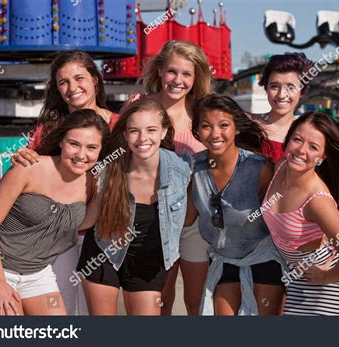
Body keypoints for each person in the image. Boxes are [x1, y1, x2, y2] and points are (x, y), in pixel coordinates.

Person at [10, 50, 120, 315]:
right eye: (63, 82)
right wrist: (21, 157)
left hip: (106, 234)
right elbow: (26, 177)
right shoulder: (48, 130)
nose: (72, 88)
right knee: (66, 310)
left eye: (79, 78)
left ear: (95, 79)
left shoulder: (119, 125)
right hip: (60, 236)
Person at [0, 110, 108, 315]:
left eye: (91, 147)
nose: (81, 154)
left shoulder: (91, 181)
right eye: (74, 144)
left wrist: (99, 196)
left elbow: (79, 224)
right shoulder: (28, 167)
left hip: (38, 274)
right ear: (61, 141)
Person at [121, 40, 212, 315]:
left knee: (197, 303)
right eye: (172, 71)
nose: (178, 80)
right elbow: (113, 153)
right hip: (155, 221)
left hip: (195, 222)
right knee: (162, 300)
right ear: (160, 71)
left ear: (196, 77)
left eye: (187, 74)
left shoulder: (203, 113)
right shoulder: (139, 107)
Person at [76, 99, 191, 316]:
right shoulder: (108, 167)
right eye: (134, 131)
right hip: (104, 253)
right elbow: (88, 217)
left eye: (151, 130)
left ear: (164, 132)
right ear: (125, 134)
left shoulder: (183, 169)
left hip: (149, 262)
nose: (142, 138)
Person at [186, 94, 285, 316]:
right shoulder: (195, 169)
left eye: (223, 125)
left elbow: (280, 219)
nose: (215, 134)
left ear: (236, 128)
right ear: (197, 131)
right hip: (223, 260)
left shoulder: (259, 168)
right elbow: (186, 219)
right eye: (206, 126)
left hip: (263, 258)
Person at [263, 111, 339, 315]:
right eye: (297, 139)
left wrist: (324, 277)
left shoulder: (317, 200)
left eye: (313, 147)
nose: (301, 150)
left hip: (333, 281)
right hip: (299, 278)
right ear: (288, 139)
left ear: (322, 157)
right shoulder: (280, 166)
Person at [251, 53, 314, 162]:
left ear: (302, 91)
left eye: (290, 87)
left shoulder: (310, 132)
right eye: (274, 86)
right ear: (266, 88)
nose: (281, 94)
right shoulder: (248, 126)